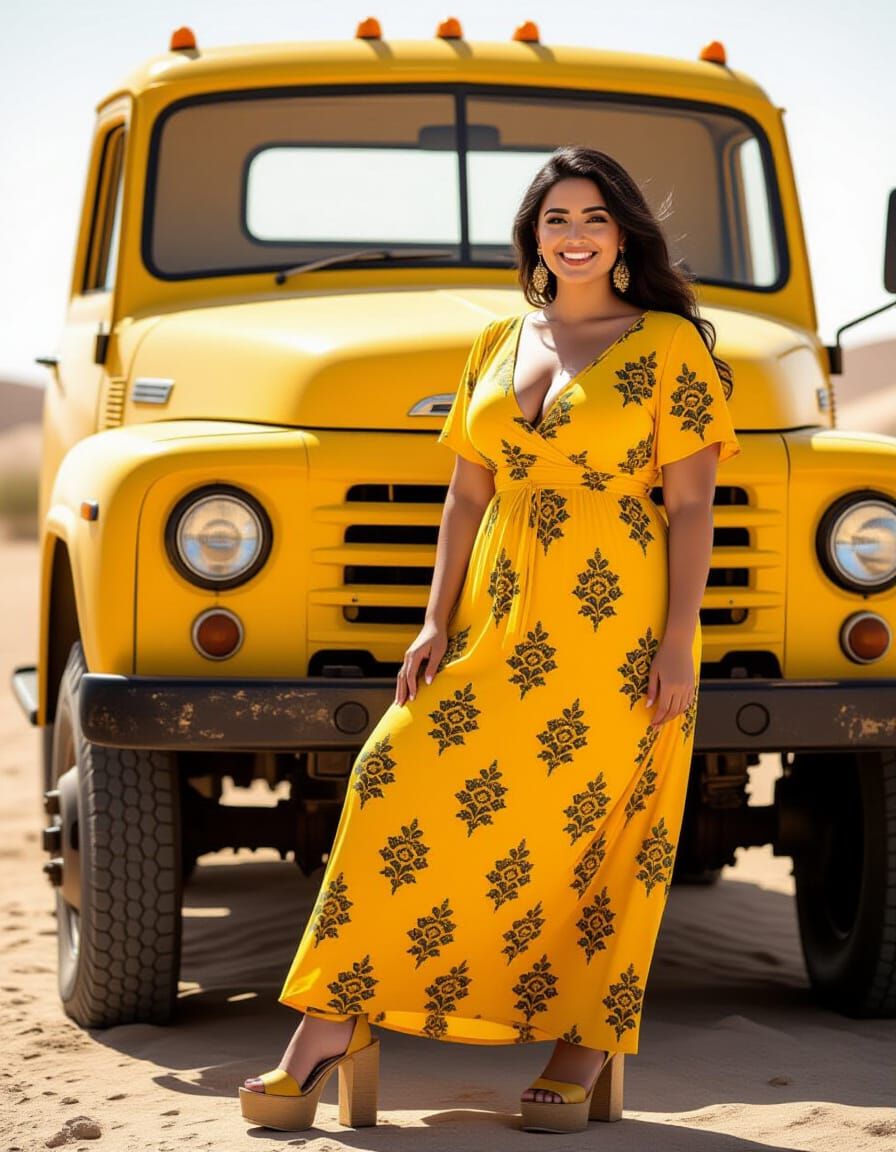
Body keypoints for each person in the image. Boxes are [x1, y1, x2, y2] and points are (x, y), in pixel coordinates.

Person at [239, 144, 741, 1135]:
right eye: (556, 219)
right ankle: (331, 1019)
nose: (576, 235)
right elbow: (466, 492)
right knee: (392, 776)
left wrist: (679, 642)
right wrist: (432, 618)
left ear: (622, 232)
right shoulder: (498, 342)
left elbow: (691, 508)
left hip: (614, 622)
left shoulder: (671, 346)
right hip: (498, 619)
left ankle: (581, 1042)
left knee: (593, 827)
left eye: (595, 217)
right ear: (533, 239)